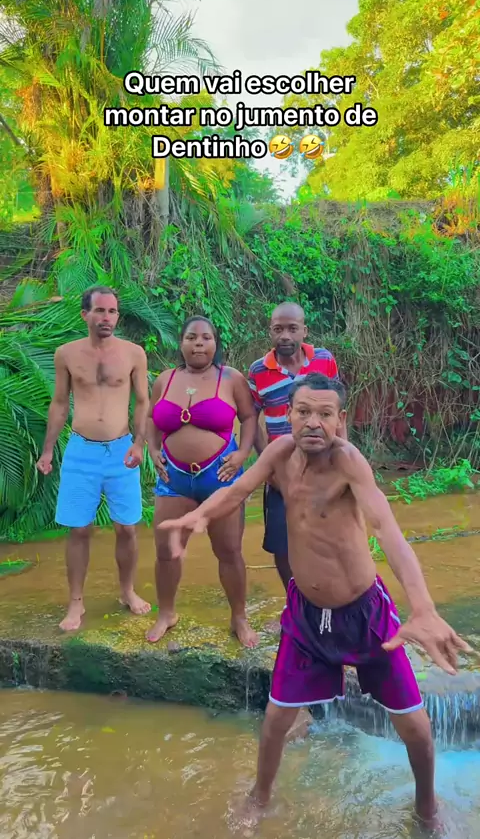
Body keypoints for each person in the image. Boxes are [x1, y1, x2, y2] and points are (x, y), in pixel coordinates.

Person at [159, 373, 471, 828]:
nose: (313, 422)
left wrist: (422, 607)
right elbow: (238, 489)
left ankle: (427, 807)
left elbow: (387, 529)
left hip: (364, 614)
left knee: (415, 726)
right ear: (288, 415)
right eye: (303, 411)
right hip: (305, 614)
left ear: (340, 420)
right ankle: (259, 798)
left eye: (325, 414)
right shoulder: (279, 454)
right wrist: (201, 515)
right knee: (275, 719)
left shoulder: (349, 463)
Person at [37, 286, 151, 631]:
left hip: (121, 450)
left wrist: (139, 444)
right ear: (85, 314)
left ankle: (127, 591)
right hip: (81, 451)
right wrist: (47, 450)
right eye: (100, 310)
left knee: (127, 528)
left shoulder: (133, 354)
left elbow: (142, 401)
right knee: (79, 529)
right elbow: (60, 403)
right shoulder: (67, 354)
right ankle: (76, 602)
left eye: (112, 311)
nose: (107, 318)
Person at [145, 315, 258, 648]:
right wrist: (153, 449)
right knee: (166, 551)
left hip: (220, 477)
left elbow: (249, 417)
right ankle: (166, 613)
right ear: (180, 342)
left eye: (206, 337)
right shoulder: (164, 380)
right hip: (173, 478)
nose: (198, 343)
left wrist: (243, 454)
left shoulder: (231, 378)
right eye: (191, 337)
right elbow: (151, 418)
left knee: (229, 551)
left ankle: (239, 617)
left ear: (215, 343)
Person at [248, 302, 341, 591]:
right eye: (278, 329)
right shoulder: (258, 370)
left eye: (292, 328)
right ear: (270, 332)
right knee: (281, 543)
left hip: (323, 466)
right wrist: (268, 464)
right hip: (282, 473)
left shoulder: (324, 360)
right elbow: (251, 419)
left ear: (304, 330)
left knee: (327, 535)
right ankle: (295, 598)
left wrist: (342, 456)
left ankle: (325, 596)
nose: (285, 336)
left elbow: (337, 409)